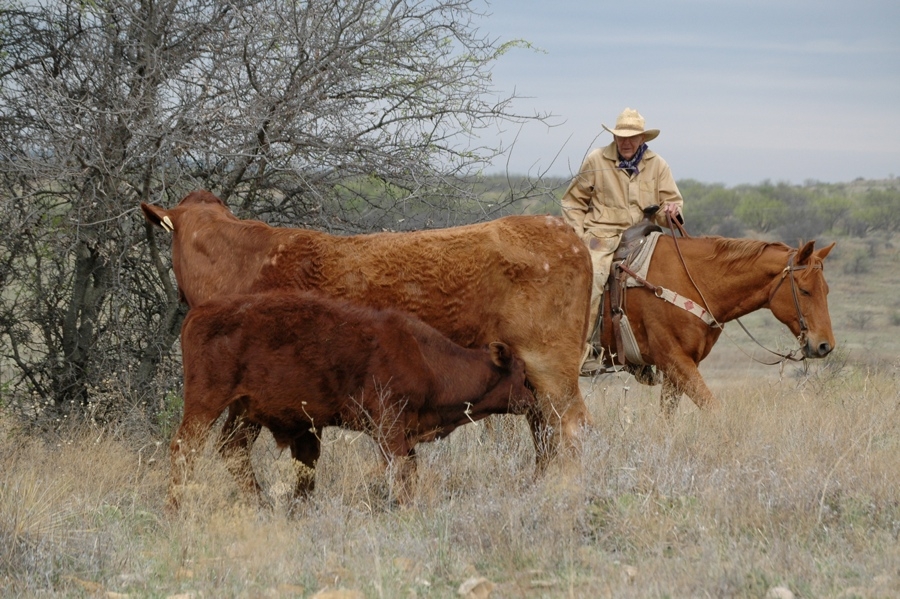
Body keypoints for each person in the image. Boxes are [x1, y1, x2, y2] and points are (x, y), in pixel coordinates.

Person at [561, 107, 683, 374]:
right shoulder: (596, 160)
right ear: (614, 137)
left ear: (642, 138)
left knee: (666, 283)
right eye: (621, 137)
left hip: (642, 235)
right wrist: (579, 238)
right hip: (600, 236)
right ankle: (584, 351)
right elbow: (572, 202)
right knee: (592, 280)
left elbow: (670, 203)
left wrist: (671, 211)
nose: (626, 142)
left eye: (632, 137)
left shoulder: (657, 165)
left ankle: (647, 351)